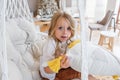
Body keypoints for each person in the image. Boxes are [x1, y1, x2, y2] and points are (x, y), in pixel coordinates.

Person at [39, 10, 96, 80]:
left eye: (68, 28)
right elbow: (46, 69)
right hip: (51, 72)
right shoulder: (50, 43)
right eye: (60, 28)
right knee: (80, 73)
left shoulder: (71, 39)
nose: (65, 32)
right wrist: (60, 65)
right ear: (53, 29)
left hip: (65, 68)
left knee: (86, 71)